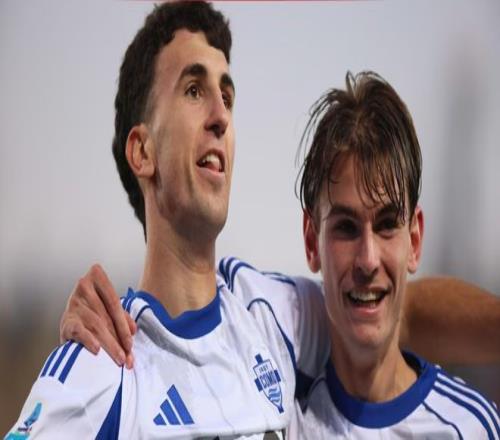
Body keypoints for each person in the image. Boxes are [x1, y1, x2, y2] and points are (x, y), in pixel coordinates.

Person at [7, 2, 318, 438]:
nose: (221, 116)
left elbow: (398, 314)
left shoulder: (275, 317)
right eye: (194, 90)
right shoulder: (100, 370)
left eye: (227, 97)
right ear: (142, 152)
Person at [294, 71, 499, 438]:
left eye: (387, 224)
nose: (368, 259)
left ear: (414, 241)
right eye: (346, 227)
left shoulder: (472, 428)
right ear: (312, 242)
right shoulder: (280, 418)